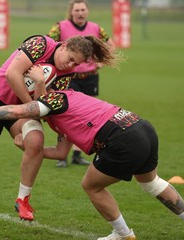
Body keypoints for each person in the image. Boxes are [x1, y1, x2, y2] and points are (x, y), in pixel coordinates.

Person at [0, 34, 117, 230]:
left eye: (76, 64)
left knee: (35, 141)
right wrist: (29, 106)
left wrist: (40, 83)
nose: (71, 66)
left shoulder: (65, 75)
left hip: (22, 109)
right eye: (70, 59)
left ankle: (22, 200)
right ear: (64, 45)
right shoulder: (41, 44)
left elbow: (44, 107)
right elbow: (12, 74)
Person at [0, 87, 184, 239]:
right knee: (151, 182)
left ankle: (123, 234)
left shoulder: (55, 100)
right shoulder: (65, 108)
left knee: (91, 185)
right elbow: (59, 152)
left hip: (120, 138)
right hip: (141, 126)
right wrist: (28, 147)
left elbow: (18, 110)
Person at [47, 0, 115, 167]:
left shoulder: (96, 28)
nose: (80, 13)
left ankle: (77, 154)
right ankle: (61, 156)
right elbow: (49, 44)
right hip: (69, 78)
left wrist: (101, 63)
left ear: (88, 11)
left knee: (86, 116)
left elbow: (110, 44)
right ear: (71, 12)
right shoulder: (60, 27)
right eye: (77, 10)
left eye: (83, 10)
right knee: (65, 115)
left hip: (90, 77)